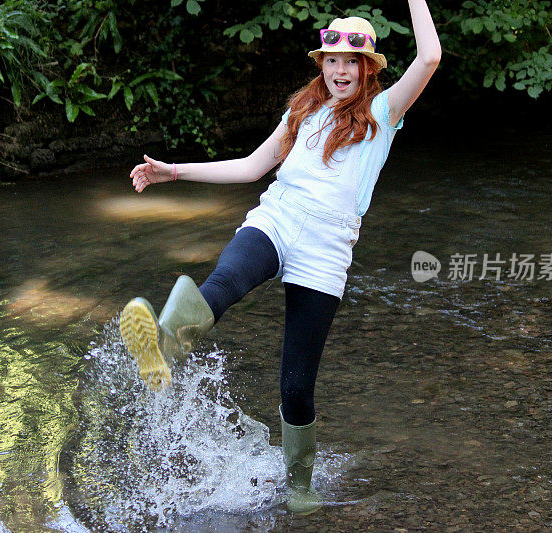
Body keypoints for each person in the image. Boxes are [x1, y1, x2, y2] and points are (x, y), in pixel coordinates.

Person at [120, 3, 440, 515]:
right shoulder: (302, 112)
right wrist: (173, 172)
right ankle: (165, 342)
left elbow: (429, 58)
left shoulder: (383, 115)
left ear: (369, 69)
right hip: (280, 216)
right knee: (228, 276)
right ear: (322, 65)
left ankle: (299, 484)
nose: (340, 71)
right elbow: (252, 168)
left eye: (351, 63)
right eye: (332, 60)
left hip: (328, 249)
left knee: (296, 386)